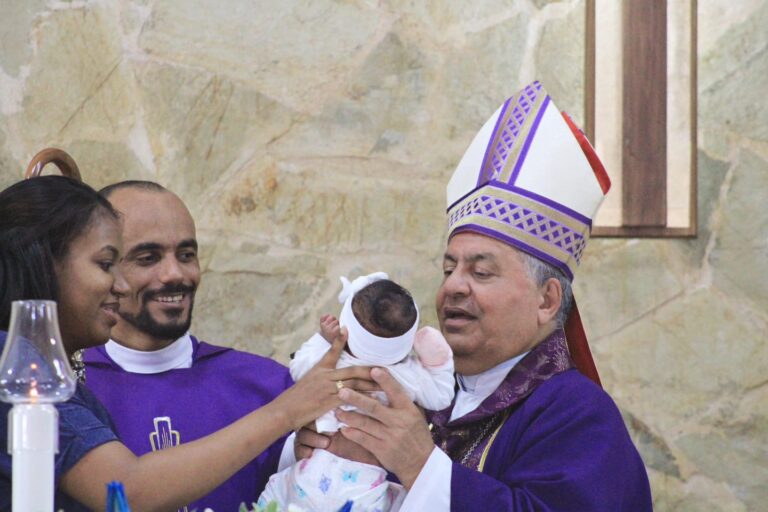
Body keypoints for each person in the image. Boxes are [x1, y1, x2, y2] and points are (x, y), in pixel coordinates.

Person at [297, 81, 653, 510]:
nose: (453, 286)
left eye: (480, 271)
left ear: (547, 300)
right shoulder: (408, 385)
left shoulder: (579, 417)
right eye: (449, 268)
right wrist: (316, 452)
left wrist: (420, 466)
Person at [0, 175, 373, 511]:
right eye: (108, 263)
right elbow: (126, 490)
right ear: (44, 265)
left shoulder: (265, 383)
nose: (121, 284)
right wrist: (284, 412)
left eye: (186, 254)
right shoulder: (18, 374)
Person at [82, 180, 293, 511]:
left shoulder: (269, 387)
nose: (174, 273)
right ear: (107, 268)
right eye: (148, 257)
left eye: (186, 254)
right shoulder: (70, 388)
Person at [259, 272, 454, 511]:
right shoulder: (406, 376)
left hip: (310, 471)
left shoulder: (332, 361)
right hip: (364, 486)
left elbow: (300, 367)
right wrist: (437, 361)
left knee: (276, 497)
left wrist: (323, 340)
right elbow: (441, 395)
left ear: (346, 324)